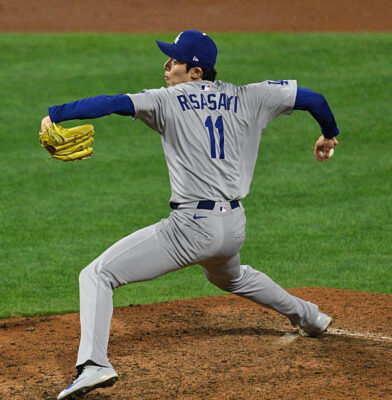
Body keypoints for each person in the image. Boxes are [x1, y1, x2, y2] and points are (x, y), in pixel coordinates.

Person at [41, 30, 339, 400]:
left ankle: (94, 365)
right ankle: (309, 316)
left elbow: (113, 102)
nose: (166, 66)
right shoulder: (252, 95)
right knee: (231, 277)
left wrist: (56, 114)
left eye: (174, 60)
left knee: (98, 274)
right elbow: (315, 99)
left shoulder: (168, 100)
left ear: (196, 72)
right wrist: (329, 134)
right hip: (233, 226)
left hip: (191, 229)